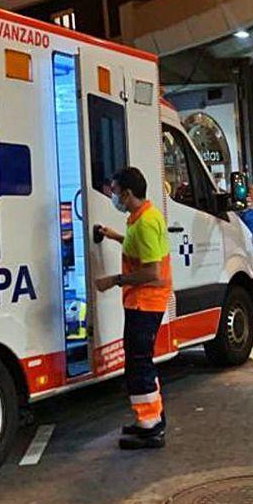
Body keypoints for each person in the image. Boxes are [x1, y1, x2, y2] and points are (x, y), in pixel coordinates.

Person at [93, 167, 173, 449]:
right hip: (143, 301)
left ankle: (149, 426)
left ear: (127, 194)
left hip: (146, 302)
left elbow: (153, 273)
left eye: (115, 191)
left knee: (138, 363)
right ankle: (151, 418)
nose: (113, 196)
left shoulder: (145, 223)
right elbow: (139, 249)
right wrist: (115, 236)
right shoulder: (142, 218)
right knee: (142, 361)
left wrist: (114, 280)